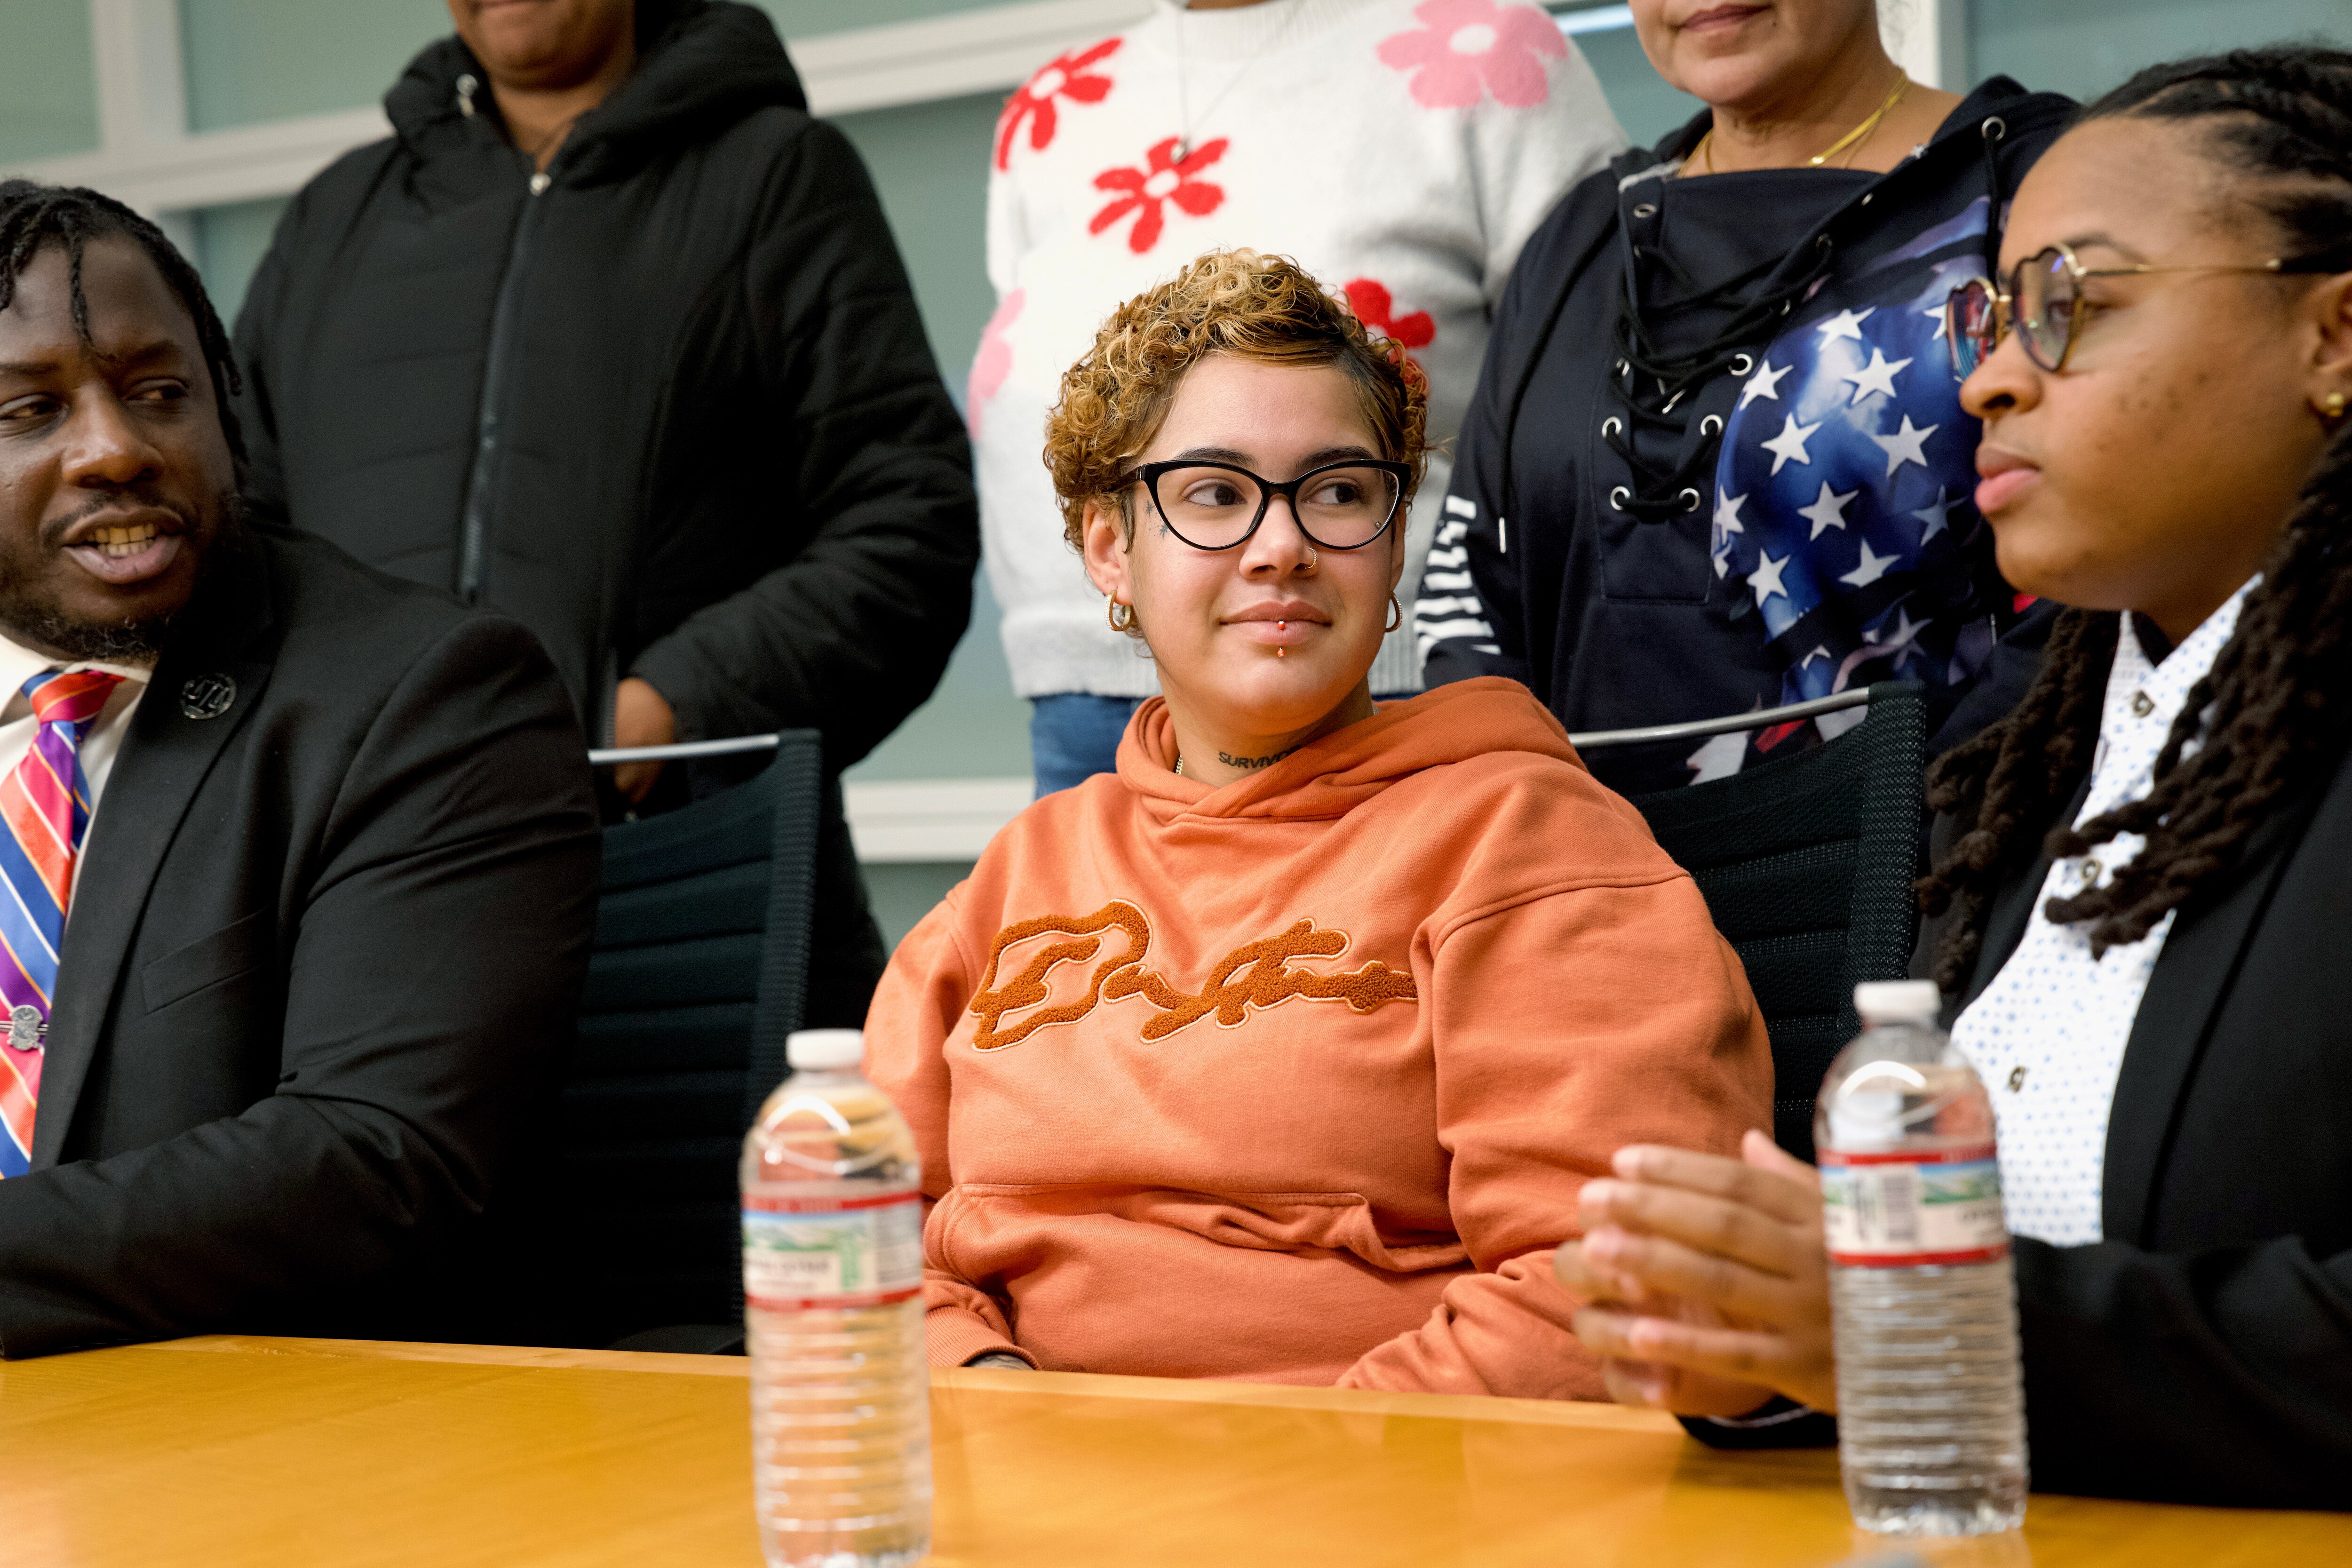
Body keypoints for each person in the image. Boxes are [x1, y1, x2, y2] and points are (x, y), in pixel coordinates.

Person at [1547, 45, 2352, 1507]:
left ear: (2336, 338)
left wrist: (1910, 1324)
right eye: (1994, 315)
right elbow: (1935, 1312)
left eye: (2070, 308)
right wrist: (1758, 1348)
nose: (1985, 377)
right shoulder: (2024, 771)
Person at [864, 251, 1771, 1393]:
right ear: (1109, 547)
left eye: (1338, 489)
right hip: (1010, 1485)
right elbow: (855, 1239)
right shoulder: (1015, 880)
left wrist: (1304, 1478)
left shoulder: (1523, 841)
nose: (1281, 542)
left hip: (1385, 1498)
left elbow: (1618, 1282)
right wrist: (998, 1413)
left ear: (1391, 544)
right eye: (1213, 493)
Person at [231, 0, 978, 1021]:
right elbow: (242, 546)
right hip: (359, 906)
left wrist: (653, 721)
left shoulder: (774, 177)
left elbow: (907, 517)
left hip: (685, 889)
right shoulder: (335, 219)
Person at [0, 182, 601, 1358]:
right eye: (28, 409)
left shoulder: (428, 695)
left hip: (266, 1421)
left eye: (158, 392)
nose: (115, 448)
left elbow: (376, 1159)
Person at [1418, 0, 2074, 796]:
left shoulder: (2040, 193)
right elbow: (1474, 588)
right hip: (1586, 893)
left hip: (1934, 881)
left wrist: (1929, 839)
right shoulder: (1581, 238)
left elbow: (2107, 588)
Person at [974, 0, 1626, 794]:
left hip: (1377, 679)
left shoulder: (1478, 47)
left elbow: (1595, 397)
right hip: (1078, 694)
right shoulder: (1056, 103)